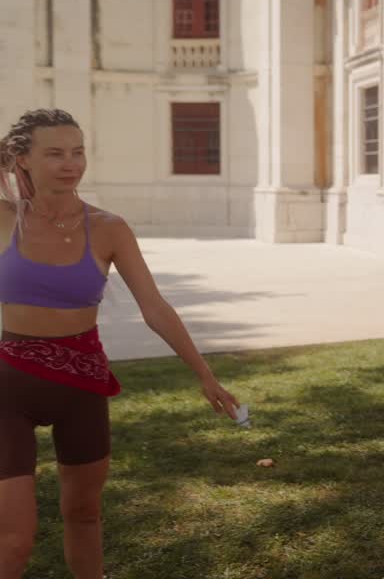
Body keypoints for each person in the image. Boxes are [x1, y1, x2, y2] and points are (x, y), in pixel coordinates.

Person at [0, 108, 240, 578]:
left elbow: (154, 307)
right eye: (54, 153)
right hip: (9, 386)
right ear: (23, 160)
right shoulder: (5, 219)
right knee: (14, 536)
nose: (71, 163)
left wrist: (204, 375)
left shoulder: (109, 228)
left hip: (83, 386)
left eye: (78, 151)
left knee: (85, 514)